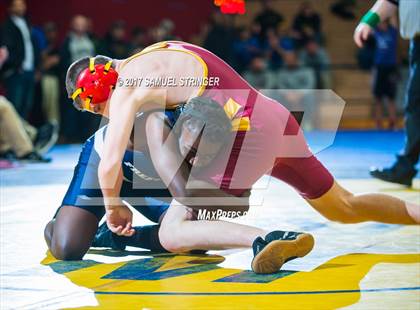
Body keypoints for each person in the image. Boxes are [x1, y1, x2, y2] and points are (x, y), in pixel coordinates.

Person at [45, 41, 419, 271]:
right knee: (345, 206)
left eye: (98, 111)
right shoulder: (161, 52)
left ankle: (267, 238)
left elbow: (111, 162)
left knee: (175, 232)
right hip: (274, 119)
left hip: (244, 134)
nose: (104, 117)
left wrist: (114, 207)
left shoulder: (128, 85)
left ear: (98, 92)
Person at [354, 0, 420, 186]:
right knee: (416, 105)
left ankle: (405, 166)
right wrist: (368, 21)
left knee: (416, 105)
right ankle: (405, 166)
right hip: (417, 44)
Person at [1, 0, 39, 118]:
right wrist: (16, 65)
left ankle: (23, 134)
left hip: (29, 70)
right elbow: (6, 50)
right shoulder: (6, 26)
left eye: (22, 5)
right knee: (14, 105)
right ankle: (11, 135)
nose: (20, 8)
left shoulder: (27, 24)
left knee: (26, 105)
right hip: (16, 71)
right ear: (10, 8)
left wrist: (37, 67)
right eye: (16, 5)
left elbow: (32, 47)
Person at [371, 20, 399, 129]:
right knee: (378, 97)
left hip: (391, 68)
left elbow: (393, 16)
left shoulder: (392, 32)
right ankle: (378, 123)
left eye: (381, 23)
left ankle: (392, 122)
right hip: (379, 67)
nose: (379, 25)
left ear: (386, 23)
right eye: (378, 23)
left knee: (391, 97)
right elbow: (369, 26)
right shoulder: (376, 32)